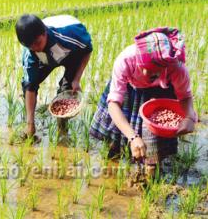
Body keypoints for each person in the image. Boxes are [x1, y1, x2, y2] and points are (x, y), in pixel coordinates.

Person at [89, 27, 196, 175]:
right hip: (129, 89)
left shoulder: (176, 68)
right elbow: (113, 104)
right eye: (145, 68)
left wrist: (190, 117)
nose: (149, 73)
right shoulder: (125, 59)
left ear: (165, 66)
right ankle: (116, 157)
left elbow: (185, 96)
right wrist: (133, 137)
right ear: (138, 60)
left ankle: (151, 169)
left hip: (160, 93)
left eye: (155, 71)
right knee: (118, 134)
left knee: (155, 140)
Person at [15, 14, 92, 142]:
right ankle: (30, 125)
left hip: (71, 54)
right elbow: (30, 87)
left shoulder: (70, 34)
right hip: (45, 60)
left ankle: (62, 129)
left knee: (66, 90)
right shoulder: (31, 53)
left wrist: (76, 80)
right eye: (31, 46)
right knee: (27, 84)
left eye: (37, 43)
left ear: (44, 32)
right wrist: (30, 125)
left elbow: (87, 50)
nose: (36, 48)